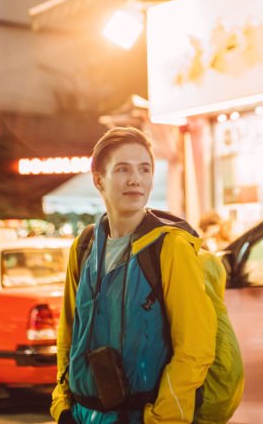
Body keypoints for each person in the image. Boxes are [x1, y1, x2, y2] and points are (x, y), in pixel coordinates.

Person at [52, 127, 216, 424]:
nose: (135, 180)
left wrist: (161, 419)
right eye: (122, 169)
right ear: (98, 180)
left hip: (144, 416)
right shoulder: (85, 247)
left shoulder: (170, 247)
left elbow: (195, 347)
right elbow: (68, 333)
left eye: (145, 169)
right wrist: (62, 404)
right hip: (80, 415)